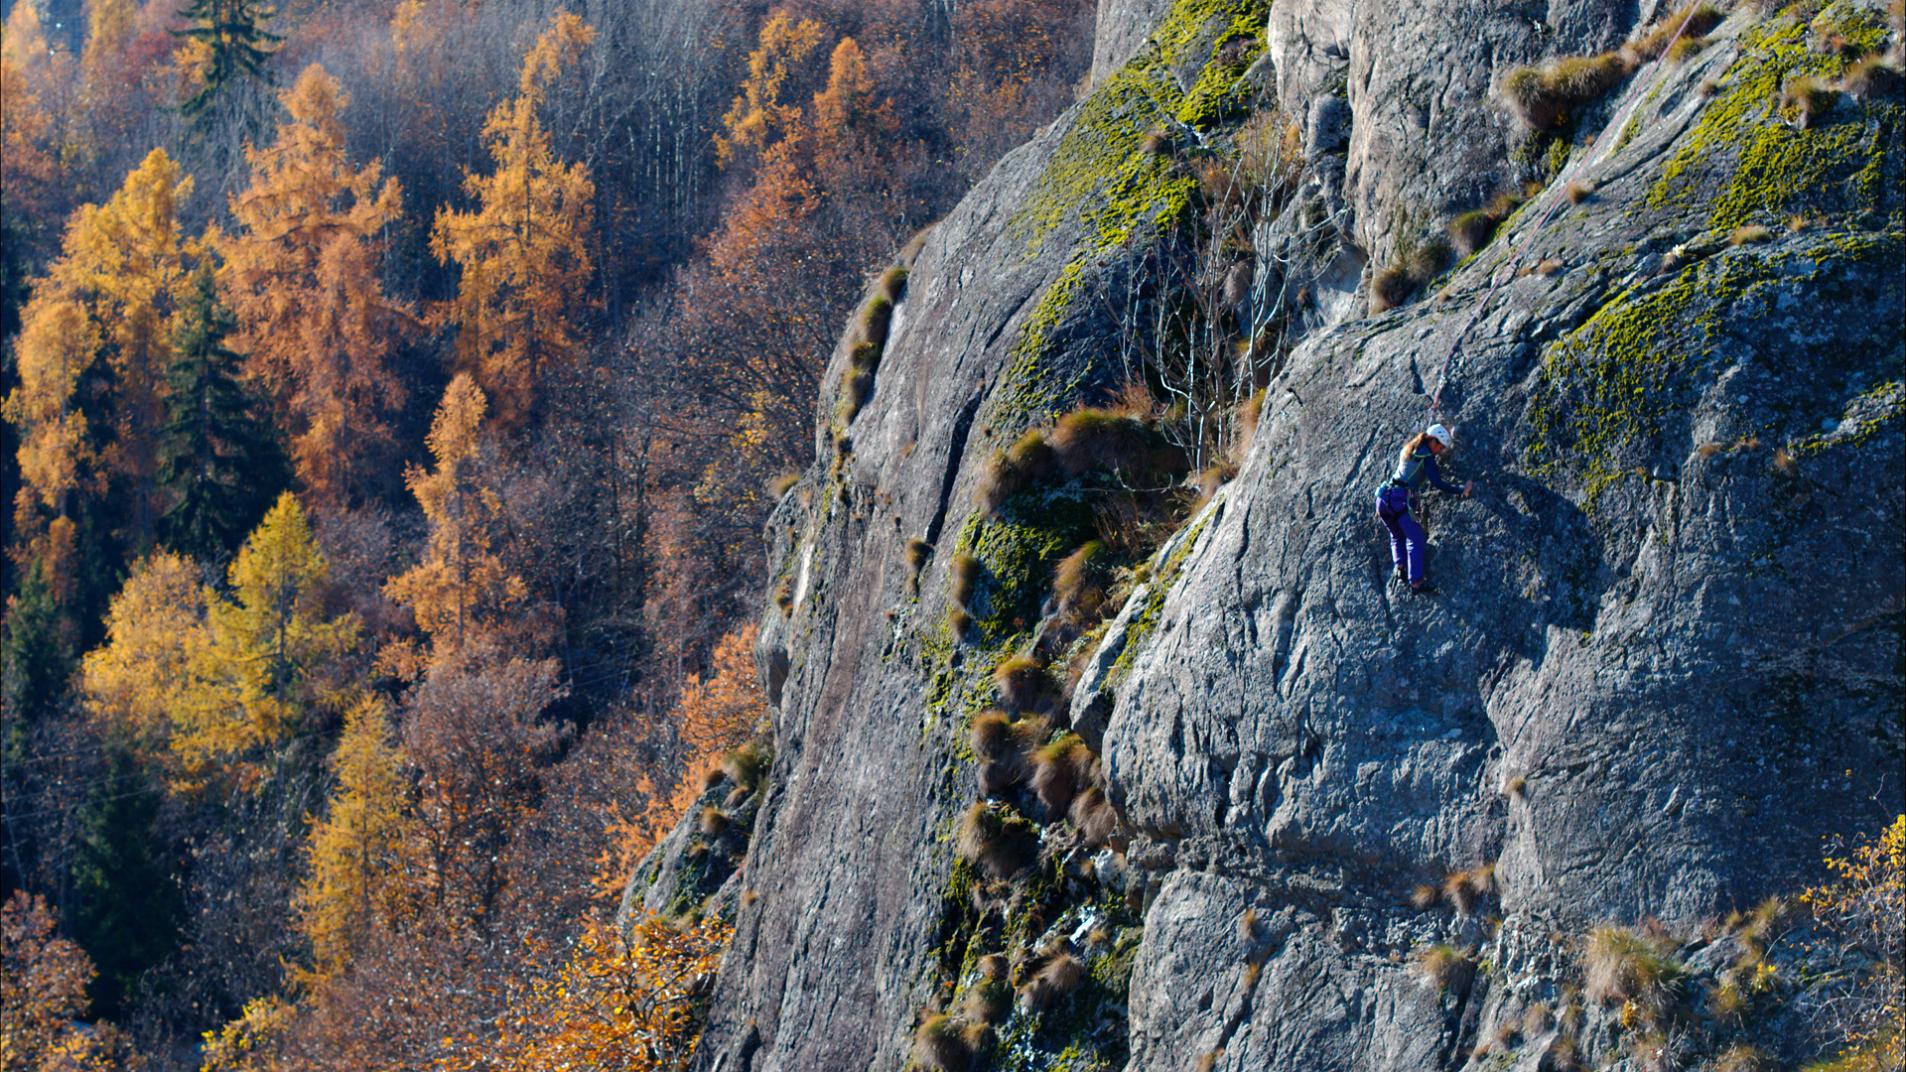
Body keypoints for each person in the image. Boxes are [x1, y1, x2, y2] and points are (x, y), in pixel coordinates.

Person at [1375, 423, 1472, 594]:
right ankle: (1416, 583)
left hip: (1382, 499)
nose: (1440, 451)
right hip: (1398, 499)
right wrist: (1461, 490)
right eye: (1440, 447)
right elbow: (1438, 483)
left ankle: (1401, 568)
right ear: (1433, 441)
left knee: (1396, 535)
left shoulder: (1411, 449)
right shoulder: (1427, 457)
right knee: (1416, 538)